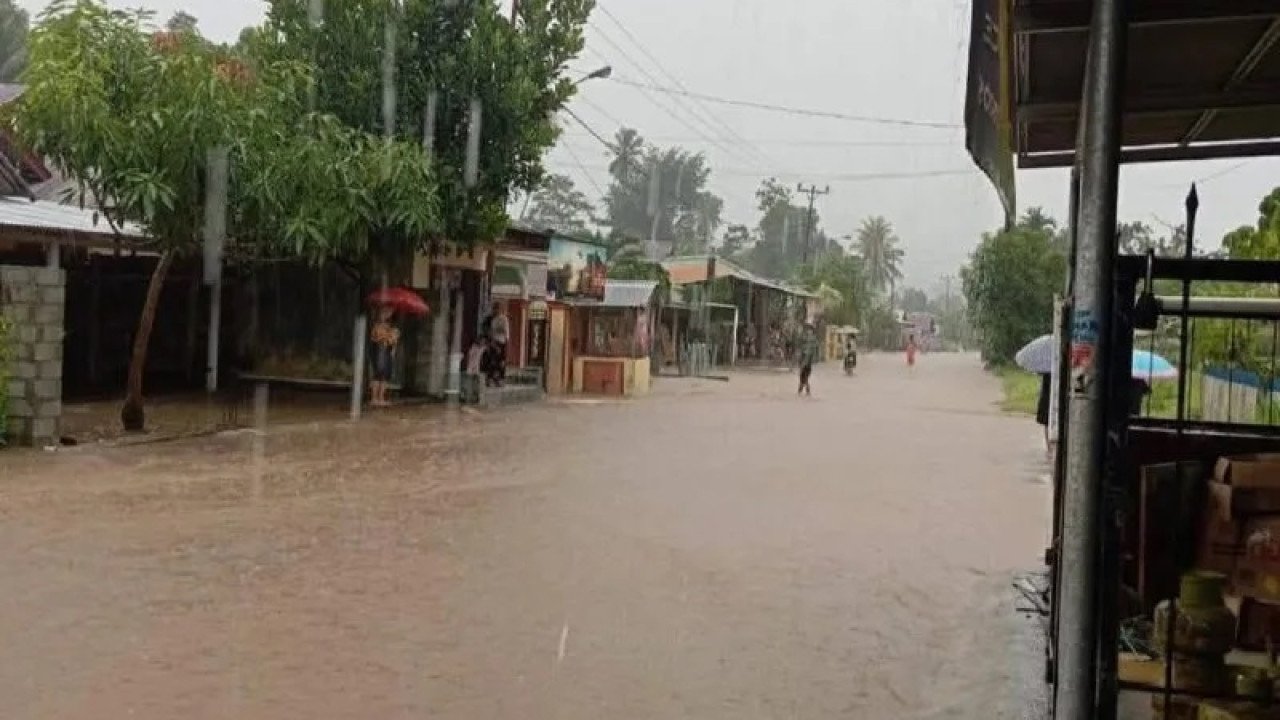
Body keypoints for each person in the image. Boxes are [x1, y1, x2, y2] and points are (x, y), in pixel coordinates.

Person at [368, 306, 400, 407]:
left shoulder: (393, 328)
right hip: (379, 350)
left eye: (389, 312)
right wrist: (388, 336)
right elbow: (376, 338)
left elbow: (394, 341)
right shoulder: (377, 326)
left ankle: (381, 398)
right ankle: (374, 398)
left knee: (385, 375)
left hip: (387, 351)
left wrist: (392, 338)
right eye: (385, 312)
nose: (387, 314)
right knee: (378, 373)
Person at [484, 301, 510, 387]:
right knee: (491, 362)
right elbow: (487, 330)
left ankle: (499, 379)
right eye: (494, 308)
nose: (495, 310)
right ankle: (490, 379)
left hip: (500, 342)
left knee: (500, 362)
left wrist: (505, 345)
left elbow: (506, 333)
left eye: (497, 309)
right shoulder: (490, 319)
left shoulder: (503, 319)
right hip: (491, 342)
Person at [797, 324, 818, 396]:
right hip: (805, 361)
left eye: (810, 330)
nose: (809, 331)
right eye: (808, 330)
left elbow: (810, 352)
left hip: (807, 362)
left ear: (812, 331)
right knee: (803, 376)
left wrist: (803, 363)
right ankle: (803, 390)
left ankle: (804, 389)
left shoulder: (812, 340)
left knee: (804, 376)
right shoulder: (806, 338)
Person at [463, 336, 486, 404]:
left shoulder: (482, 348)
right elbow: (469, 357)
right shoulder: (474, 348)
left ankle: (475, 397)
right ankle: (468, 397)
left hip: (476, 368)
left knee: (476, 383)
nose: (483, 343)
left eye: (484, 342)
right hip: (471, 367)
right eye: (482, 341)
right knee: (469, 383)